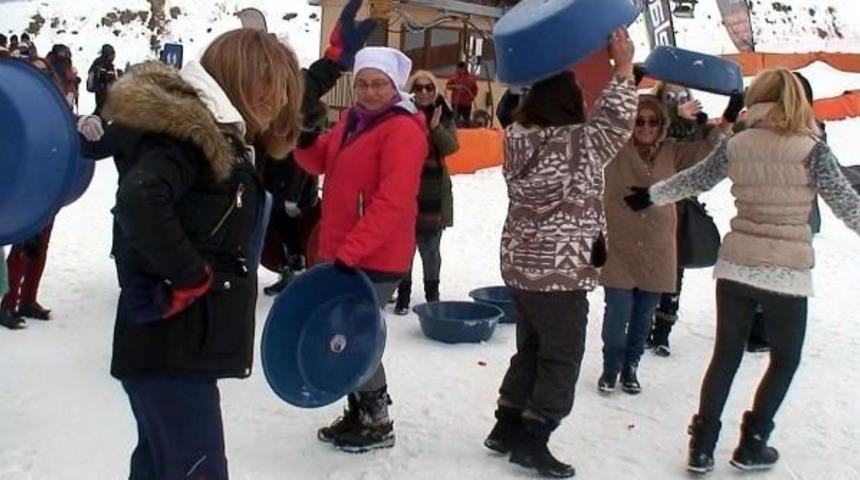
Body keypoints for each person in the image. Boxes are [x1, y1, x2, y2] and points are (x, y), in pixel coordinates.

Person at [85, 29, 302, 479]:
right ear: (238, 75)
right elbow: (140, 200)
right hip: (172, 349)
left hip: (176, 350)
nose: (277, 99)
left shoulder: (214, 131)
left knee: (158, 468)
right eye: (269, 83)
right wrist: (188, 276)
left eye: (284, 89)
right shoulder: (191, 133)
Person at [624, 68, 860, 474]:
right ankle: (753, 443)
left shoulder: (737, 143)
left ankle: (701, 446)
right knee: (784, 359)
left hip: (735, 267)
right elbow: (846, 204)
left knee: (725, 357)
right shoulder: (812, 148)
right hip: (786, 270)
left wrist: (650, 196)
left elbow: (695, 179)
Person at [483, 28, 637, 479]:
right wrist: (624, 68)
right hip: (561, 272)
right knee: (561, 356)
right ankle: (535, 438)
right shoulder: (580, 144)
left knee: (531, 347)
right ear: (572, 105)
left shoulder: (515, 139)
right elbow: (616, 122)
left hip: (521, 266)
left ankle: (506, 424)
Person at [295, 46, 428, 453]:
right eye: (363, 83)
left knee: (356, 337)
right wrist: (303, 136)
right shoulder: (353, 122)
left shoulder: (402, 130)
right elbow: (319, 161)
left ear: (395, 86)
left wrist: (350, 252)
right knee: (343, 332)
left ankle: (377, 420)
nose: (370, 92)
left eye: (380, 84)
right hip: (343, 252)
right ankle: (358, 411)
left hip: (375, 257)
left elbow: (394, 201)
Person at [597, 93, 739, 394]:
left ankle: (631, 367)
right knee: (617, 312)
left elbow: (706, 151)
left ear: (662, 125)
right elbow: (603, 120)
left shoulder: (673, 152)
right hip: (619, 246)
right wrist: (634, 87)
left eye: (653, 121)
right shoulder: (613, 148)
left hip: (658, 247)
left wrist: (727, 121)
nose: (645, 127)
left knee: (643, 315)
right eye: (639, 120)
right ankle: (610, 367)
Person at [260, 0, 377, 296]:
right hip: (265, 179)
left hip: (297, 178)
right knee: (276, 230)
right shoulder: (245, 90)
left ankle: (302, 274)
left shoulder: (297, 87)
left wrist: (338, 54)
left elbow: (319, 76)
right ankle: (289, 271)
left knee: (301, 228)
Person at [646, 82, 717, 357]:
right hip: (652, 206)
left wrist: (706, 125)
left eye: (683, 96)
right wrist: (673, 114)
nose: (679, 101)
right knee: (648, 270)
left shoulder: (696, 126)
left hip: (683, 208)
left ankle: (663, 332)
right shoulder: (651, 123)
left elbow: (709, 152)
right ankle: (643, 325)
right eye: (671, 97)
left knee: (674, 273)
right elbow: (656, 141)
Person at [0, 56, 69, 330]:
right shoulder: (14, 105)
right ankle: (8, 303)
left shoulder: (53, 105)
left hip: (46, 185)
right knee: (21, 247)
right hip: (22, 185)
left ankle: (28, 299)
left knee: (39, 247)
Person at [393, 70, 458, 315]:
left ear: (435, 90)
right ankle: (403, 295)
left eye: (429, 88)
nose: (423, 92)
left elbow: (451, 147)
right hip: (405, 189)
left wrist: (434, 127)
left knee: (431, 249)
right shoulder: (401, 115)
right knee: (405, 247)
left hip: (434, 194)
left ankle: (433, 295)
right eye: (418, 88)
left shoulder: (445, 114)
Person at [87, 44, 119, 116]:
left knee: (101, 108)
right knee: (101, 108)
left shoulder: (105, 63)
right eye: (112, 54)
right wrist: (109, 77)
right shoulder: (101, 63)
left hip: (103, 90)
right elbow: (101, 77)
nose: (113, 57)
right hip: (102, 90)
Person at [446, 61, 478, 127]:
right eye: (458, 69)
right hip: (456, 103)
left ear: (465, 69)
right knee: (455, 121)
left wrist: (471, 98)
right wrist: (455, 86)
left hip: (466, 104)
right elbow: (447, 86)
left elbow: (475, 90)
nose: (459, 70)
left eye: (461, 69)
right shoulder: (454, 77)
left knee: (466, 121)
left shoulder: (471, 79)